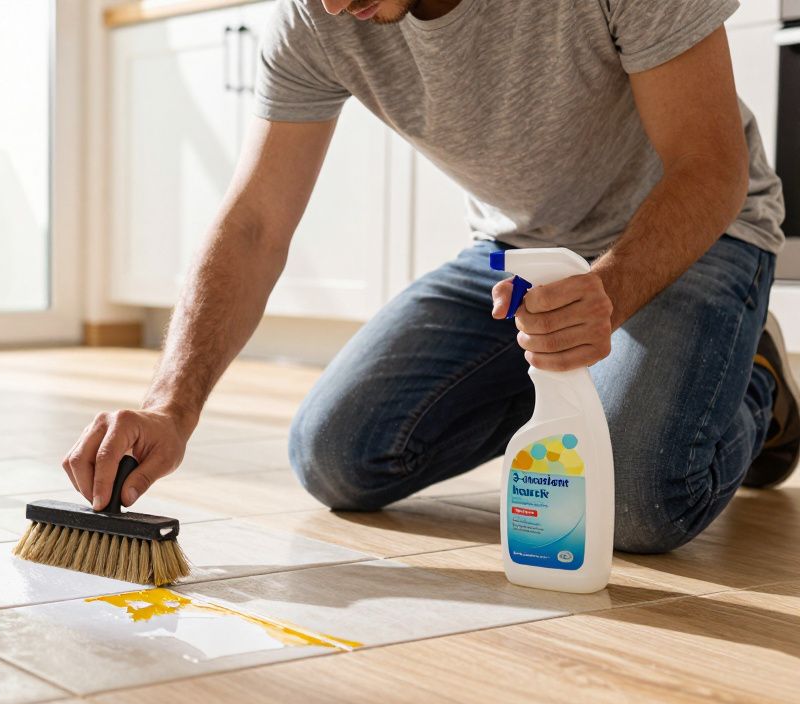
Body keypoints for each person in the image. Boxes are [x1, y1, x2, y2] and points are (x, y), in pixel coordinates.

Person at [63, 0, 798, 554]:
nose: (329, 5)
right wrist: (170, 406)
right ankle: (590, 387)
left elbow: (710, 167)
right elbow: (255, 221)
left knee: (633, 503)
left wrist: (606, 292)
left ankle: (757, 385)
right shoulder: (318, 15)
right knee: (338, 457)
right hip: (513, 253)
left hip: (697, 236)